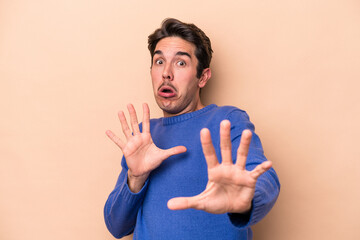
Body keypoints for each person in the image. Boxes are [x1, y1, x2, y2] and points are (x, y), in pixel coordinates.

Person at [104, 18, 280, 240]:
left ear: (203, 77)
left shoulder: (226, 120)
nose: (166, 73)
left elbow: (265, 178)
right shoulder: (144, 135)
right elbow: (116, 226)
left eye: (180, 63)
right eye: (159, 62)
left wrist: (246, 201)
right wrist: (136, 177)